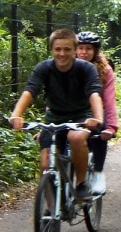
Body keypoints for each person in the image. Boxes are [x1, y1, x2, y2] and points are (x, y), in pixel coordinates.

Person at [9, 28, 104, 198]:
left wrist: (97, 118)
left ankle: (81, 183)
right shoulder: (44, 68)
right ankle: (50, 212)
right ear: (51, 50)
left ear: (75, 50)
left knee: (76, 138)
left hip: (81, 116)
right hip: (55, 118)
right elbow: (30, 90)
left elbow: (94, 93)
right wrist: (17, 114)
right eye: (57, 49)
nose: (62, 54)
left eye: (67, 49)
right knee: (46, 164)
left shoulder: (86, 68)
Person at [76, 31, 118, 195]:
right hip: (70, 112)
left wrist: (112, 127)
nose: (84, 52)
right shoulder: (66, 66)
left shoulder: (105, 70)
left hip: (95, 113)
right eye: (80, 48)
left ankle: (98, 173)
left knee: (99, 132)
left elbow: (109, 99)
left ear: (95, 51)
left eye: (88, 49)